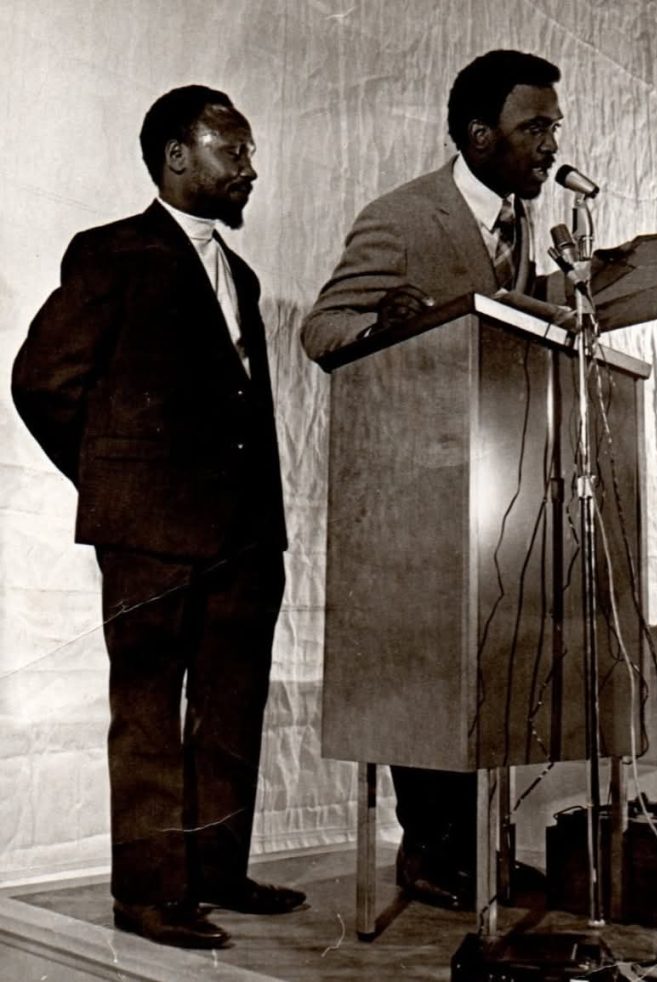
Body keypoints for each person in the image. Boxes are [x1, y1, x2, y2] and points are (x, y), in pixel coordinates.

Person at [12, 85, 305, 950]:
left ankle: (215, 873)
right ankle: (147, 894)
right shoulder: (112, 253)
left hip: (246, 537)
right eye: (233, 150)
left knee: (233, 705)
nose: (250, 168)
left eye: (249, 153)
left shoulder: (240, 275)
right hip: (151, 538)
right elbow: (42, 382)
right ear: (177, 156)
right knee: (147, 711)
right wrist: (119, 484)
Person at [301, 50, 563, 910]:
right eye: (534, 127)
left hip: (495, 495)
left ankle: (477, 851)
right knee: (429, 678)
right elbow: (323, 328)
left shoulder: (522, 221)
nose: (551, 144)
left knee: (490, 671)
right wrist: (386, 319)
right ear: (480, 135)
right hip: (417, 498)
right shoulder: (404, 217)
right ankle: (429, 853)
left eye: (554, 126)